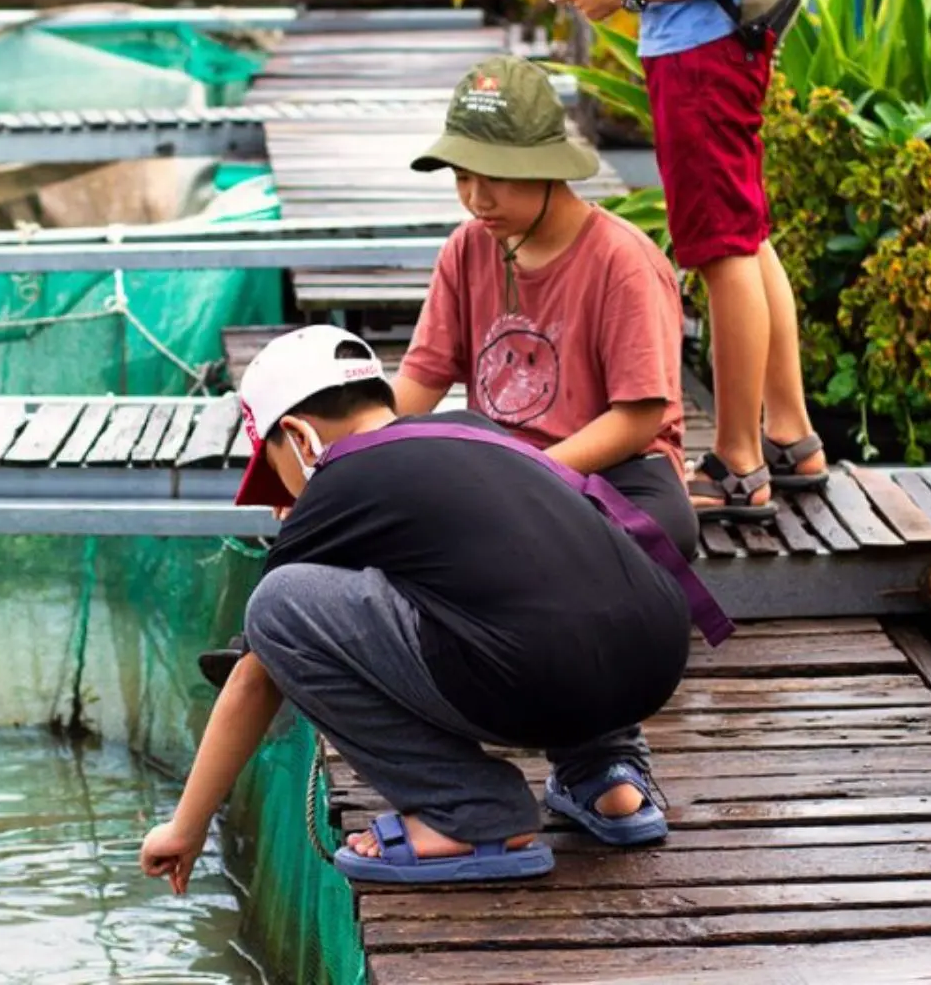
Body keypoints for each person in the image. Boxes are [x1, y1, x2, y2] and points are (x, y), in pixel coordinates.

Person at [139, 325, 696, 889]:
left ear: (301, 439)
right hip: (655, 654)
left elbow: (257, 676)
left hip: (535, 674)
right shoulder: (475, 431)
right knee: (535, 586)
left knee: (277, 607)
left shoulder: (338, 481)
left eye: (278, 474)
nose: (285, 500)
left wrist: (186, 825)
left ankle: (469, 812)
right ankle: (608, 778)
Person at [551, 0, 827, 522]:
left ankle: (738, 463)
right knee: (748, 238)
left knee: (723, 251)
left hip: (702, 60)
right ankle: (789, 435)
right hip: (715, 51)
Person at [392, 53, 698, 558]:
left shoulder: (622, 260)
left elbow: (638, 418)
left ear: (545, 168)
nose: (475, 198)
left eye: (495, 176)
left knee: (661, 528)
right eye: (462, 177)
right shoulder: (466, 248)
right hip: (498, 463)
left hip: (612, 468)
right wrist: (342, 456)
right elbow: (420, 383)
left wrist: (532, 478)